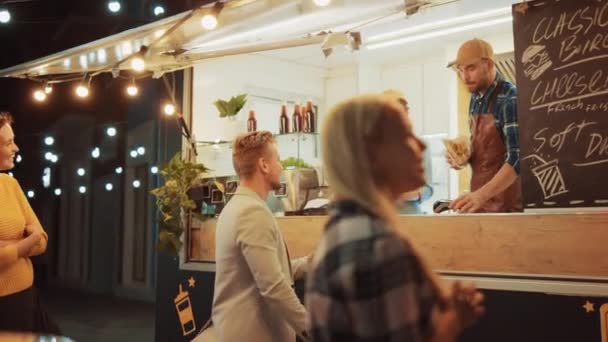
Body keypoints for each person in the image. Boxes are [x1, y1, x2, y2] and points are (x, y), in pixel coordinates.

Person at [306, 94, 484, 342]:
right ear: (374, 155)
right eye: (406, 136)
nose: (421, 147)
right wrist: (456, 319)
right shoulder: (379, 246)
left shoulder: (344, 229)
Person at [211, 131, 309, 342]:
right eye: (279, 160)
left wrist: (310, 263)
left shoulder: (238, 207)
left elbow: (262, 270)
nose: (282, 167)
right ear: (264, 165)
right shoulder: (252, 212)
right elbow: (273, 285)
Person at [446, 38, 522, 213]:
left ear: (488, 65)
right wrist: (463, 157)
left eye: (471, 68)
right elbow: (487, 151)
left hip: (506, 208)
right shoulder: (476, 98)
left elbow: (517, 159)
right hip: (480, 203)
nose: (464, 77)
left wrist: (480, 195)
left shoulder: (510, 99)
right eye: (460, 70)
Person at [0, 111, 49, 332]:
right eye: (8, 143)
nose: (16, 148)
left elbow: (42, 241)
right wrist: (25, 243)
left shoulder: (9, 185)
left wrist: (11, 248)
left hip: (23, 297)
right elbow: (34, 239)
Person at [384, 89, 434, 214]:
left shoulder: (420, 146)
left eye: (404, 108)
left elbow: (428, 189)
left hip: (411, 218)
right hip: (380, 219)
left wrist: (408, 195)